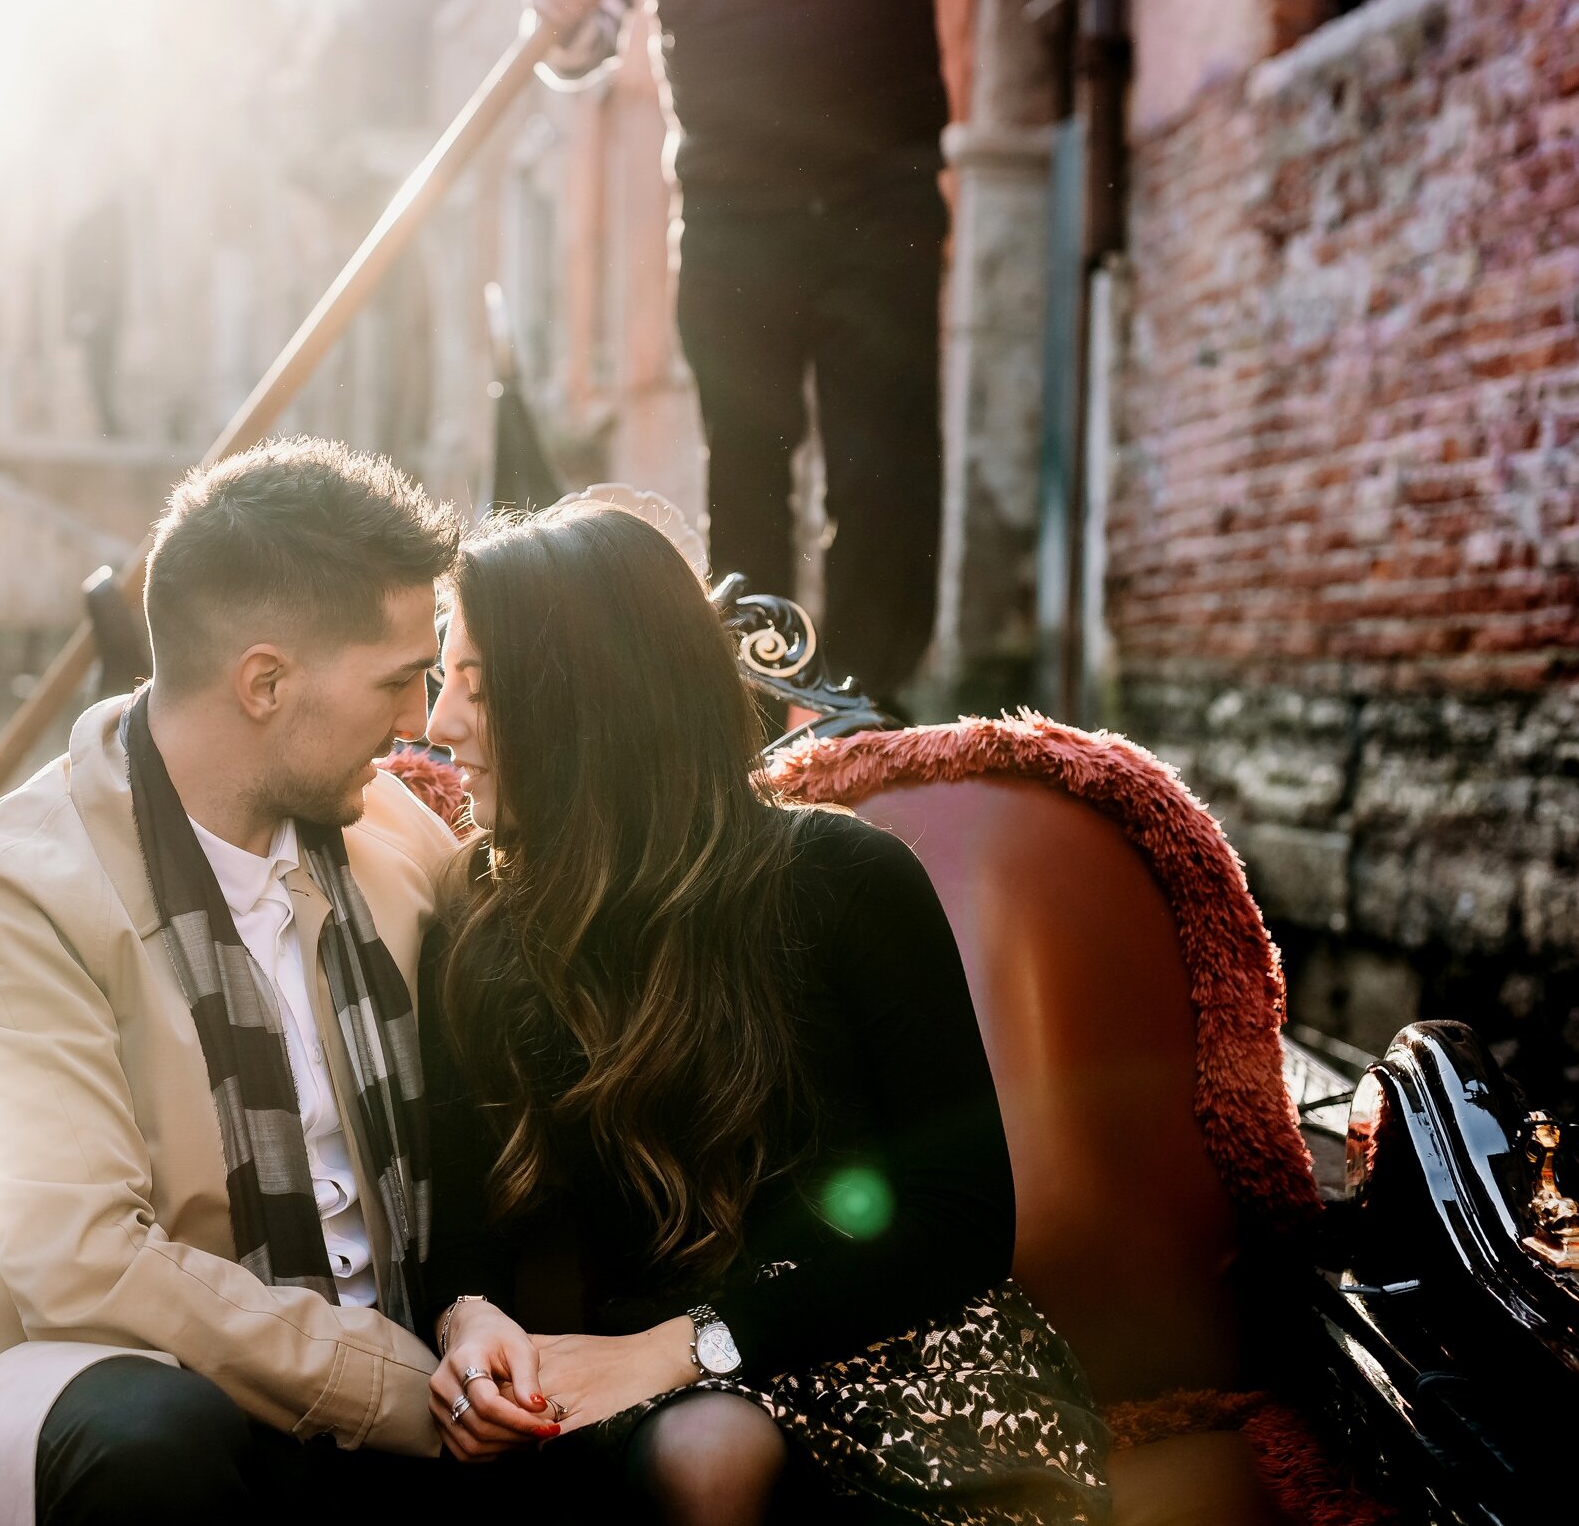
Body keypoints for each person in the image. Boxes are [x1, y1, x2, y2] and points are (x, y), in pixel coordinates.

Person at [418, 502, 1108, 1524]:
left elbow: (961, 1222)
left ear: (587, 695)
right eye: (442, 680)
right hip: (667, 1403)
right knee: (708, 1452)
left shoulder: (844, 879)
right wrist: (468, 1329)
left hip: (902, 1356)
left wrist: (685, 1344)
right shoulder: (479, 921)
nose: (438, 726)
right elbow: (459, 1216)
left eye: (476, 683)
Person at [0, 440, 508, 1526]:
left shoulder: (393, 834)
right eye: (399, 679)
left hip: (422, 1362)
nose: (420, 725)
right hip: (111, 1375)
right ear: (264, 682)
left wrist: (485, 1337)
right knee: (159, 1438)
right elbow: (89, 1270)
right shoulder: (13, 894)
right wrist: (406, 1391)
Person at [528, 0, 951, 713]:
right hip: (734, 208)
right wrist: (559, 1)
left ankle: (866, 715)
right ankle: (755, 720)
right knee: (747, 470)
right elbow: (579, 38)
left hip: (882, 190)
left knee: (884, 469)